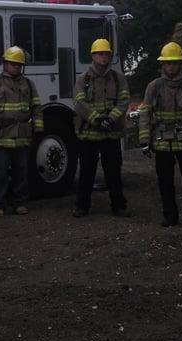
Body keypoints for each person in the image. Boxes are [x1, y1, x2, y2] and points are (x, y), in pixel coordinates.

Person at [138, 42, 182, 230]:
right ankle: (170, 216)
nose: (171, 66)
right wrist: (145, 141)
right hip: (162, 143)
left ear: (181, 64)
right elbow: (145, 114)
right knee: (165, 181)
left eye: (175, 62)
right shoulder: (153, 86)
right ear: (163, 64)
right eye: (168, 63)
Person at [0, 46, 44, 216]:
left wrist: (39, 128)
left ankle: (19, 203)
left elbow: (36, 107)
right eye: (12, 64)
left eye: (18, 65)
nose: (16, 67)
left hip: (22, 136)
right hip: (1, 136)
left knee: (21, 171)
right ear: (5, 63)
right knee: (0, 172)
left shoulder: (28, 84)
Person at [72, 38, 131, 218]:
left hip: (111, 134)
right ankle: (82, 206)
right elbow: (79, 103)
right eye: (100, 54)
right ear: (93, 56)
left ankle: (118, 206)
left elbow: (124, 101)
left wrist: (111, 119)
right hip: (89, 135)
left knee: (113, 172)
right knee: (87, 173)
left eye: (106, 54)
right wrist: (97, 119)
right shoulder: (83, 79)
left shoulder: (118, 78)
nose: (103, 57)